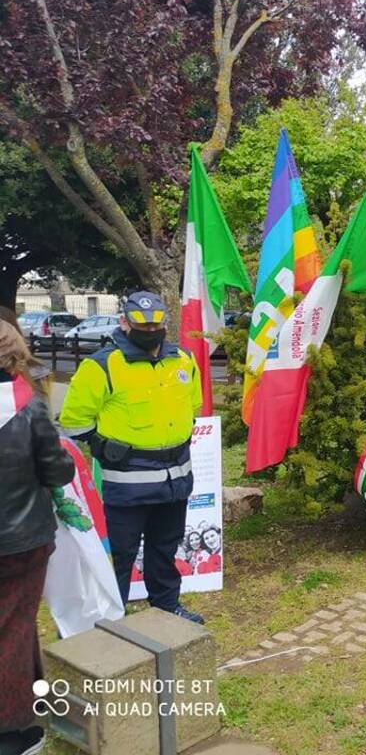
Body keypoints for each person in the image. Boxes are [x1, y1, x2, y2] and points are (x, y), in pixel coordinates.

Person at [60, 292, 205, 624]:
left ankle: (166, 607)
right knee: (120, 554)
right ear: (124, 322)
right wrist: (100, 444)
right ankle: (112, 618)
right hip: (128, 482)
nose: (150, 330)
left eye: (156, 324)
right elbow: (72, 420)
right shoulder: (101, 366)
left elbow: (191, 406)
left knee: (165, 547)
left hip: (175, 478)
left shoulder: (183, 359)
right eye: (142, 324)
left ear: (165, 323)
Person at [0, 321, 75, 755]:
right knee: (13, 627)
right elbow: (56, 471)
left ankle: (32, 695)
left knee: (17, 625)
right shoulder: (28, 406)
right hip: (20, 543)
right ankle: (14, 731)